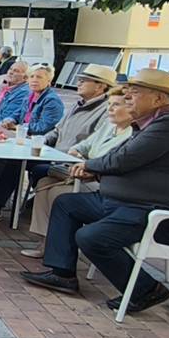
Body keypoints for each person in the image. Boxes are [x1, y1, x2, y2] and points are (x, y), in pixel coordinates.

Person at [20, 69, 169, 314]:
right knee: (66, 204)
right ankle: (63, 274)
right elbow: (120, 156)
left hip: (159, 214)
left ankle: (146, 289)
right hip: (126, 203)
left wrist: (89, 167)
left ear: (158, 98)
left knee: (92, 238)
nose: (128, 97)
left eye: (135, 92)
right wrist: (95, 170)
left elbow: (123, 159)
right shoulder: (150, 123)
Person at [23, 87, 133, 257]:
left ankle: (57, 247)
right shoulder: (109, 126)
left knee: (59, 193)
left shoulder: (132, 134)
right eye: (109, 104)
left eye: (116, 105)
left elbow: (111, 162)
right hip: (80, 172)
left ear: (131, 108)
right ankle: (45, 240)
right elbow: (85, 144)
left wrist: (88, 164)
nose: (110, 109)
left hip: (100, 181)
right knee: (44, 183)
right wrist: (76, 150)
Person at [0, 63, 65, 221]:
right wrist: (10, 120)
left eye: (39, 77)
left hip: (41, 149)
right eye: (32, 76)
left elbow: (43, 127)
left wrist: (19, 127)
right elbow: (17, 114)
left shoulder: (52, 101)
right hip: (23, 143)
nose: (34, 80)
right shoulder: (31, 95)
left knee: (15, 162)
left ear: (49, 81)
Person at [43, 64, 116, 153]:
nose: (78, 84)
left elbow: (95, 142)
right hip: (56, 155)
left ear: (100, 86)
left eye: (83, 81)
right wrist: (43, 140)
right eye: (79, 80)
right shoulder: (77, 104)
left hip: (72, 159)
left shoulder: (107, 110)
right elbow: (58, 131)